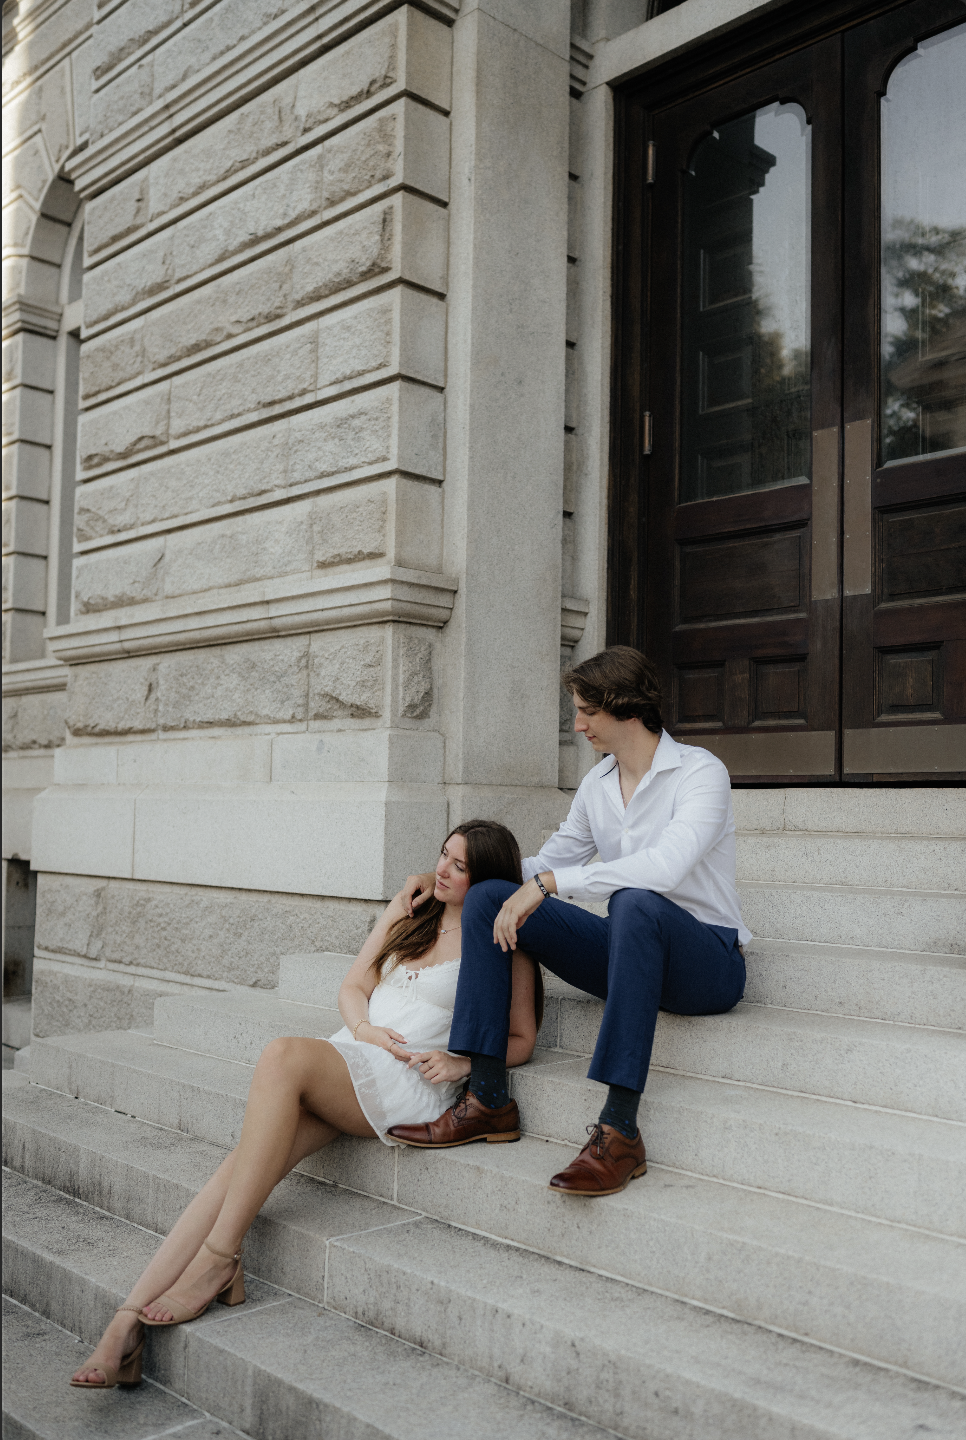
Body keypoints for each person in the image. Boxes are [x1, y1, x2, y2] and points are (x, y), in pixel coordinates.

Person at [70, 819, 539, 1389]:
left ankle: (220, 1258)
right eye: (442, 855)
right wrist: (369, 1013)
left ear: (487, 878)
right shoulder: (413, 917)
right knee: (236, 1168)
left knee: (281, 1056)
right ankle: (123, 1324)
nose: (441, 869)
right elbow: (351, 988)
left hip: (406, 1084)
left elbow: (521, 1040)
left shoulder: (500, 940)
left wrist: (464, 1065)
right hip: (353, 1058)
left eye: (459, 865)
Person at [391, 646, 749, 1198]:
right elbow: (539, 865)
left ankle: (619, 1130)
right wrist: (449, 877)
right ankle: (487, 1098)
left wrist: (551, 886)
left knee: (633, 899)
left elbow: (666, 866)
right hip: (629, 954)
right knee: (491, 895)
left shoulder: (700, 774)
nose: (578, 725)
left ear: (625, 709)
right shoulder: (598, 785)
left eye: (587, 712)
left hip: (705, 963)